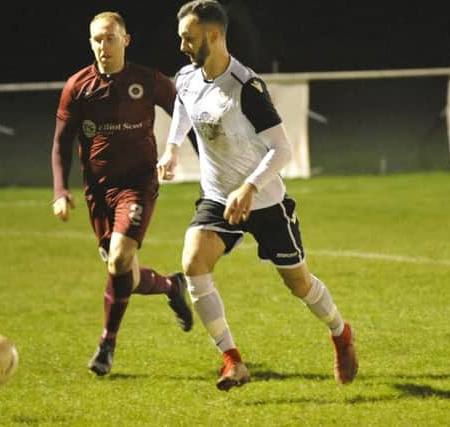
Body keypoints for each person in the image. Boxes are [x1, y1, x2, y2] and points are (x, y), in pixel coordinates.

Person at [158, 0, 358, 391]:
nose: (182, 44)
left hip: (264, 201)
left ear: (213, 36)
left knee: (298, 284)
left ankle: (340, 333)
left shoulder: (246, 87)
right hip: (218, 198)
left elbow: (282, 149)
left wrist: (249, 188)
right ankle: (233, 361)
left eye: (189, 37)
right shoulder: (186, 77)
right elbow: (182, 107)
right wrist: (171, 148)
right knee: (194, 262)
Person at [51, 11, 193, 377]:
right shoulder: (78, 86)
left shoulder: (147, 81)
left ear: (126, 40)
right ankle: (171, 286)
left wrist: (183, 152)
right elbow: (61, 143)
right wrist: (60, 190)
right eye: (98, 39)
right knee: (125, 275)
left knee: (118, 260)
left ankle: (106, 345)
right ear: (91, 43)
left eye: (111, 38)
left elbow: (184, 110)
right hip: (98, 193)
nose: (104, 45)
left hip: (138, 184)